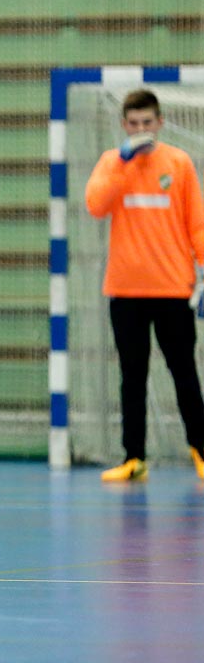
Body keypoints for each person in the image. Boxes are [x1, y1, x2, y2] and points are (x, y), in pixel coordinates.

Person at [83, 88, 204, 484]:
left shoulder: (179, 164)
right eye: (133, 124)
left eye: (147, 123)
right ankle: (133, 458)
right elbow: (96, 205)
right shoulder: (111, 164)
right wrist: (121, 163)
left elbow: (197, 225)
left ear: (160, 122)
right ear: (124, 126)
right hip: (126, 292)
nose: (141, 130)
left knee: (184, 372)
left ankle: (201, 451)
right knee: (132, 376)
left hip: (172, 289)